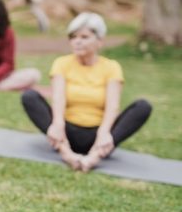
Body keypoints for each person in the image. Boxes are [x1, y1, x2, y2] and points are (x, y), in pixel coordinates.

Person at [21, 12, 152, 172]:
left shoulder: (111, 67)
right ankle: (66, 154)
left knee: (143, 106)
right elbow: (58, 98)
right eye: (73, 37)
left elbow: (113, 106)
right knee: (29, 96)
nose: (77, 42)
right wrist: (57, 125)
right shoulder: (61, 63)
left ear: (100, 41)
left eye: (84, 37)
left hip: (98, 135)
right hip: (66, 133)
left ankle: (95, 156)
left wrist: (104, 134)